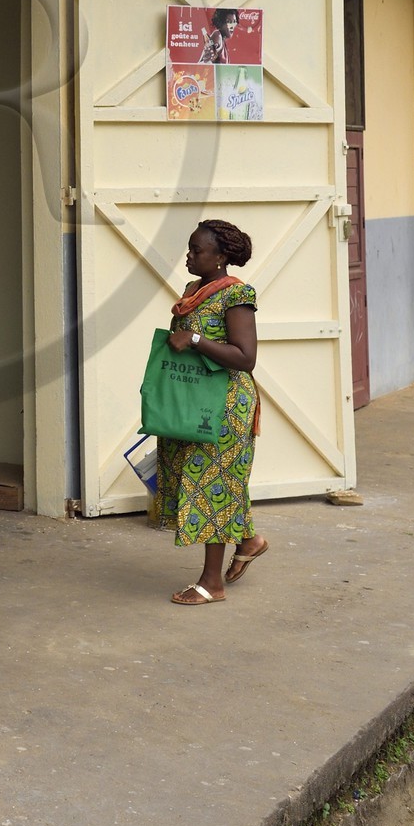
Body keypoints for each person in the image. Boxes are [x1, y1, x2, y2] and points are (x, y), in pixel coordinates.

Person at [157, 219, 268, 605]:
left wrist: (196, 339)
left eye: (197, 250)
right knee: (216, 476)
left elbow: (245, 357)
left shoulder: (236, 295)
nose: (189, 256)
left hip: (224, 407)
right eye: (189, 249)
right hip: (196, 400)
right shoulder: (194, 290)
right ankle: (250, 540)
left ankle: (212, 583)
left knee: (212, 485)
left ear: (221, 257)